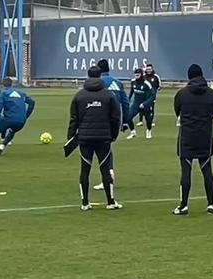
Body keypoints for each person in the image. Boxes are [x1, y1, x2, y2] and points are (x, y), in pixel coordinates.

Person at [67, 66, 122, 210]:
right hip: (104, 138)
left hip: (84, 138)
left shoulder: (79, 96)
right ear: (100, 76)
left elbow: (73, 119)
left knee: (85, 170)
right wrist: (114, 135)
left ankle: (85, 203)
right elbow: (115, 118)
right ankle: (110, 202)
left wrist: (71, 138)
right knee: (105, 168)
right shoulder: (109, 95)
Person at [173, 64, 213, 215]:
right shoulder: (212, 94)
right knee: (207, 170)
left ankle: (184, 205)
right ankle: (211, 204)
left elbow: (177, 111)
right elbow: (212, 113)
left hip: (187, 136)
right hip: (205, 136)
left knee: (186, 171)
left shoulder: (182, 94)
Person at [93, 60, 130, 189]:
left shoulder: (98, 83)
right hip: (115, 120)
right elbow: (125, 103)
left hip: (100, 121)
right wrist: (125, 121)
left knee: (101, 150)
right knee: (107, 148)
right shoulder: (118, 83)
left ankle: (107, 178)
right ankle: (109, 175)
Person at [127, 68, 156, 140]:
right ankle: (133, 132)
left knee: (148, 120)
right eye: (135, 75)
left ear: (141, 75)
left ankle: (148, 131)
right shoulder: (133, 82)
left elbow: (153, 95)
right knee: (128, 117)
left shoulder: (146, 84)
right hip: (136, 104)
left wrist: (145, 103)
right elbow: (131, 92)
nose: (136, 76)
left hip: (145, 105)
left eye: (138, 75)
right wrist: (128, 100)